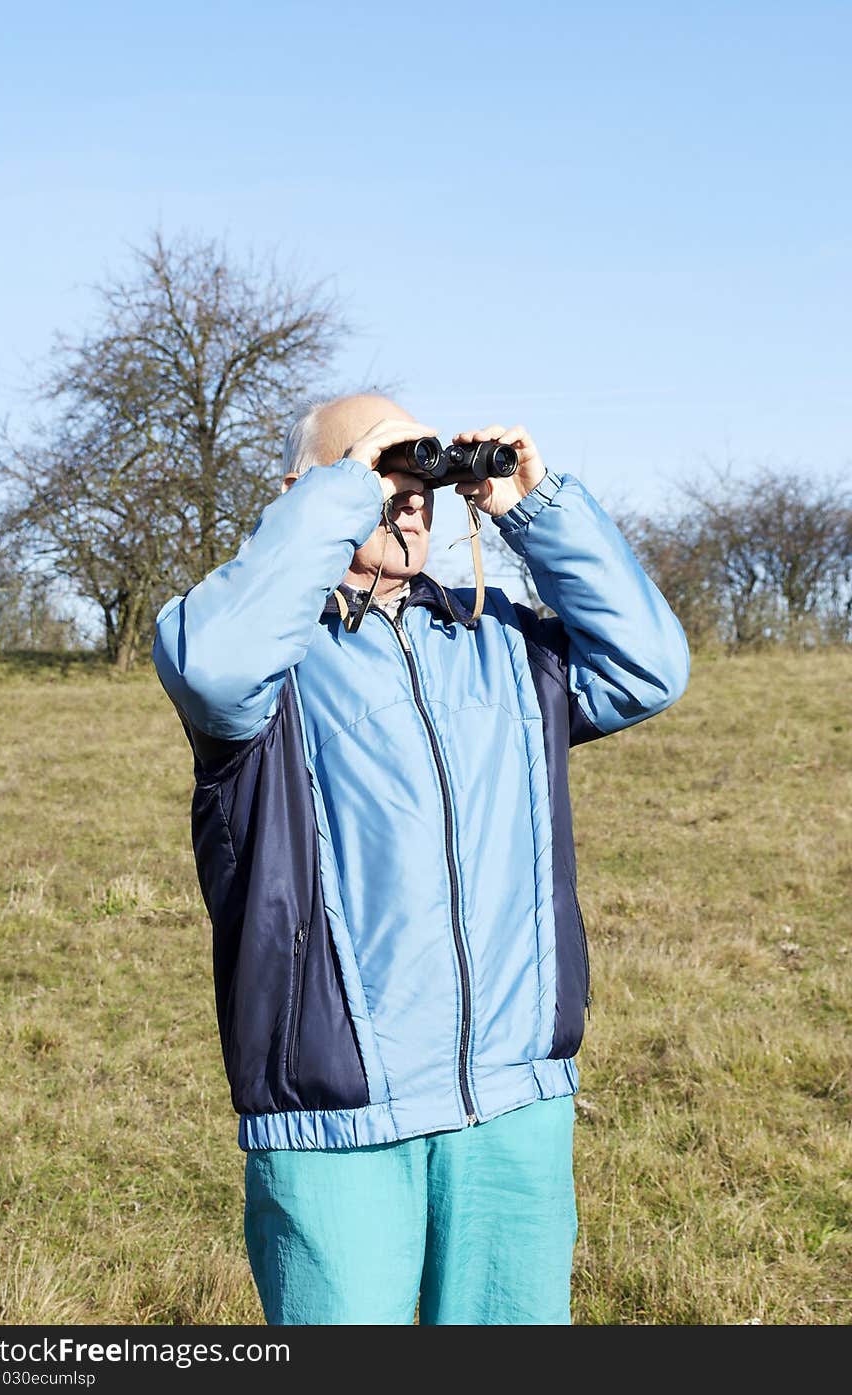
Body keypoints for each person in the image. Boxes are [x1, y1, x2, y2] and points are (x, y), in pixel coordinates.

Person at [152, 392, 689, 1325]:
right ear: (302, 493)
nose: (406, 500)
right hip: (338, 1119)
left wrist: (534, 504)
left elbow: (650, 667)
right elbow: (212, 666)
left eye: (417, 482)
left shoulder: (501, 643)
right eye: (379, 477)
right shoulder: (265, 668)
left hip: (513, 1102)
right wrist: (340, 493)